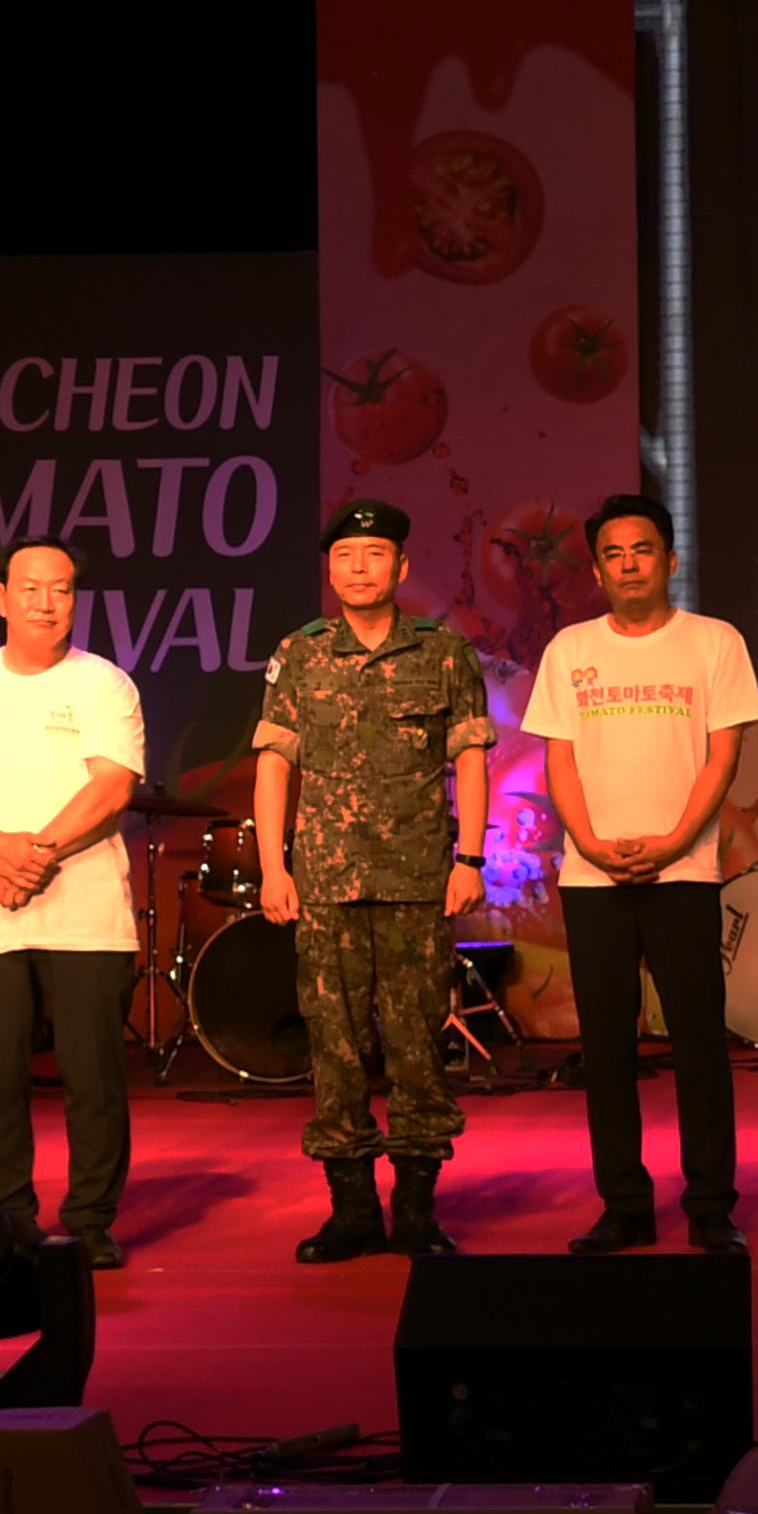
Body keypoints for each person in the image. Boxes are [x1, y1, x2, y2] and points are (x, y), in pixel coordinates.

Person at [253, 498, 494, 1264]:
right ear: (329, 570)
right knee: (336, 1046)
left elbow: (471, 756)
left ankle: (417, 1210)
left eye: (375, 555)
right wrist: (272, 865)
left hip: (419, 879)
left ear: (402, 567)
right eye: (346, 558)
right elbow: (274, 762)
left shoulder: (443, 653)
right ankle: (352, 1210)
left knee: (418, 1044)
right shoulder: (301, 652)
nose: (359, 569)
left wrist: (472, 860)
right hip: (324, 883)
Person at [526, 492, 758, 1254]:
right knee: (608, 1052)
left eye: (644, 550)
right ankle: (624, 1204)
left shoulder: (714, 642)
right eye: (615, 555)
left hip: (684, 874)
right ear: (597, 570)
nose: (630, 565)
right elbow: (557, 757)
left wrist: (671, 843)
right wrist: (590, 843)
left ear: (671, 559)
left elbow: (722, 757)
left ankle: (709, 1206)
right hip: (593, 879)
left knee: (698, 1044)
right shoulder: (570, 650)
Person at [0, 536, 147, 1268]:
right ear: (1, 598)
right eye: (32, 588)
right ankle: (9, 1218)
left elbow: (111, 787)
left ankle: (90, 1219)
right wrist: (0, 848)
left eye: (63, 589)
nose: (48, 602)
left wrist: (34, 855)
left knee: (95, 1079)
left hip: (87, 915)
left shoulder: (106, 684)